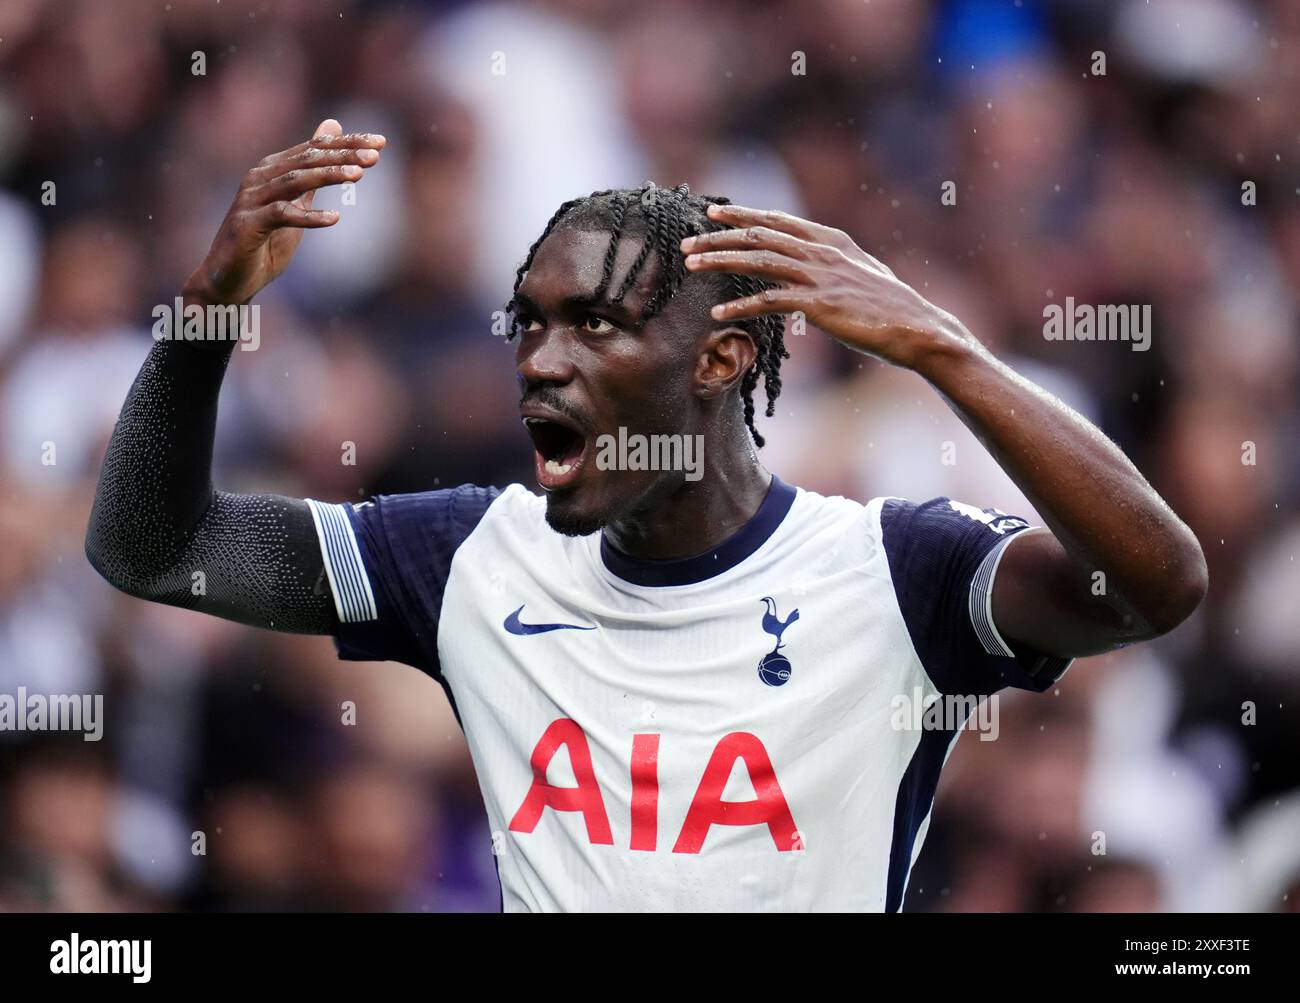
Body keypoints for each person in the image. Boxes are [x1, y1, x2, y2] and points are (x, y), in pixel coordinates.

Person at [86, 119, 1208, 911]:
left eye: (594, 325)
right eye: (527, 324)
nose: (540, 362)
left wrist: (942, 350)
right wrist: (205, 310)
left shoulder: (895, 570)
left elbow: (1157, 584)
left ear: (720, 359)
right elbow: (153, 547)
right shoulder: (471, 553)